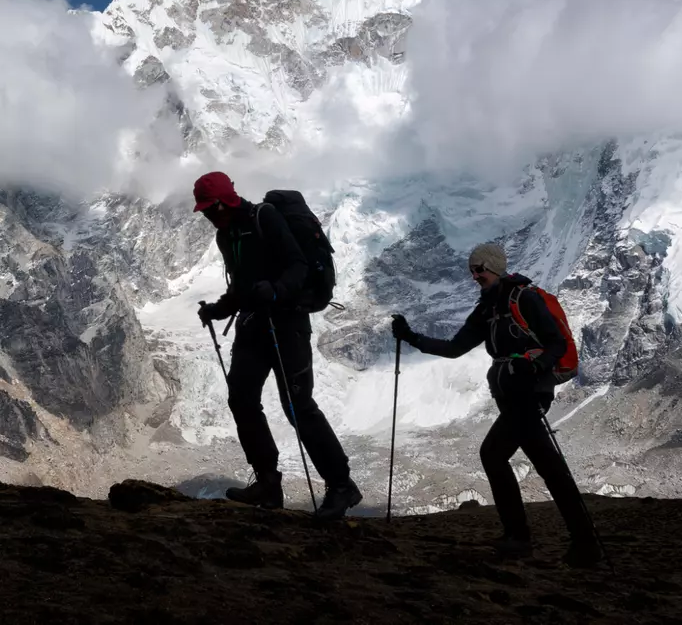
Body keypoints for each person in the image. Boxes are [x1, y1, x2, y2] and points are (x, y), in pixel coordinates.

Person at [390, 243, 602, 567]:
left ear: (496, 267)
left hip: (530, 393)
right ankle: (577, 542)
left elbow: (556, 343)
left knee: (495, 453)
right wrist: (410, 336)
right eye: (472, 270)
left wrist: (536, 367)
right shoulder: (488, 308)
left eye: (480, 268)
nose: (475, 275)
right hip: (511, 395)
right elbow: (455, 348)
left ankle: (523, 538)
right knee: (545, 465)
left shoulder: (524, 299)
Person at [193, 171, 361, 520]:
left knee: (297, 405)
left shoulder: (263, 217)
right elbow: (241, 286)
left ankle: (342, 485)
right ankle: (268, 483)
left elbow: (298, 264)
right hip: (254, 325)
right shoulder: (228, 234)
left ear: (224, 202)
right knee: (241, 398)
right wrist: (219, 309)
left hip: (287, 324)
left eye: (210, 208)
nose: (207, 215)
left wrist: (277, 291)